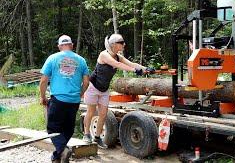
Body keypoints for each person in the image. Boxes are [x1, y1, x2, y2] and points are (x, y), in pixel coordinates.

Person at [82, 33, 154, 148]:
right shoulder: (104, 55)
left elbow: (131, 63)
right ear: (114, 44)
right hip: (93, 87)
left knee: (103, 114)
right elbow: (117, 65)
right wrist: (135, 71)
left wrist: (145, 69)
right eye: (121, 43)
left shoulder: (118, 56)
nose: (124, 44)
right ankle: (86, 134)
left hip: (104, 90)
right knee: (91, 112)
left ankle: (97, 137)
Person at [39, 35, 90, 163]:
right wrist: (80, 94)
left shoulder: (52, 58)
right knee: (68, 129)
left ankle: (63, 149)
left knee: (53, 128)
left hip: (58, 100)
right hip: (74, 101)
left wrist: (42, 96)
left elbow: (44, 80)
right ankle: (57, 156)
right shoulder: (81, 60)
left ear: (59, 46)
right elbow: (86, 82)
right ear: (71, 45)